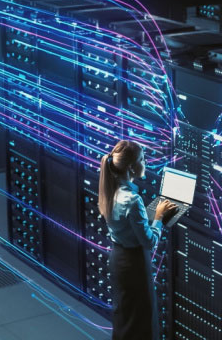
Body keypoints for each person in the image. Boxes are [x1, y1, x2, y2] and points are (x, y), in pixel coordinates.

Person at [99, 140, 177, 340]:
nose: (146, 163)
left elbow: (128, 226)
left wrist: (147, 217)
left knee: (125, 317)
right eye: (143, 159)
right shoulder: (133, 201)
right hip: (134, 263)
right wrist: (158, 217)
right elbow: (149, 242)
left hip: (118, 258)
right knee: (142, 320)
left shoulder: (109, 190)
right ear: (132, 167)